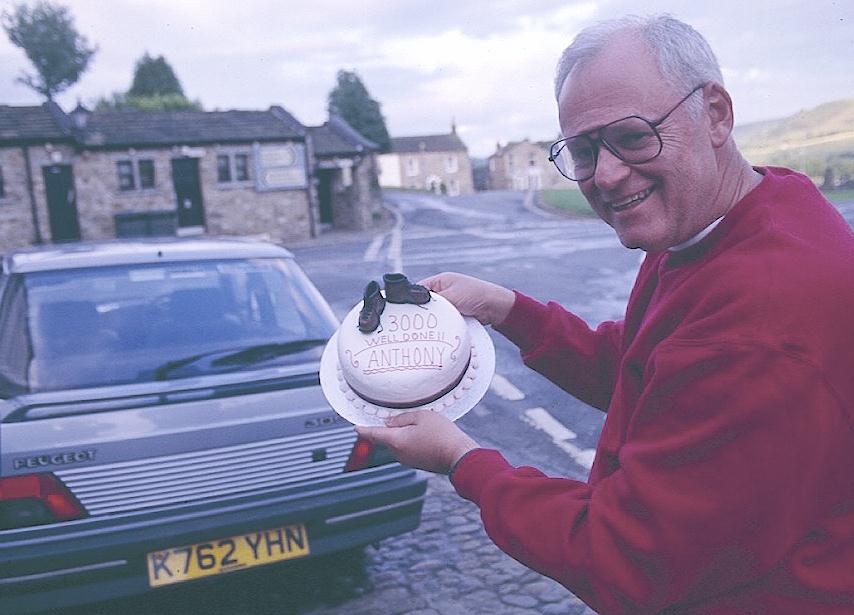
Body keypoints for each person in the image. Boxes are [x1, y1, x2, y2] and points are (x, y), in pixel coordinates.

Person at [356, 13, 854, 615]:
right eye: (585, 150)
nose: (609, 175)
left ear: (717, 114)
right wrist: (508, 309)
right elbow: (653, 372)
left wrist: (463, 460)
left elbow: (623, 559)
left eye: (634, 137)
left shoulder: (758, 318)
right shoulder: (736, 216)